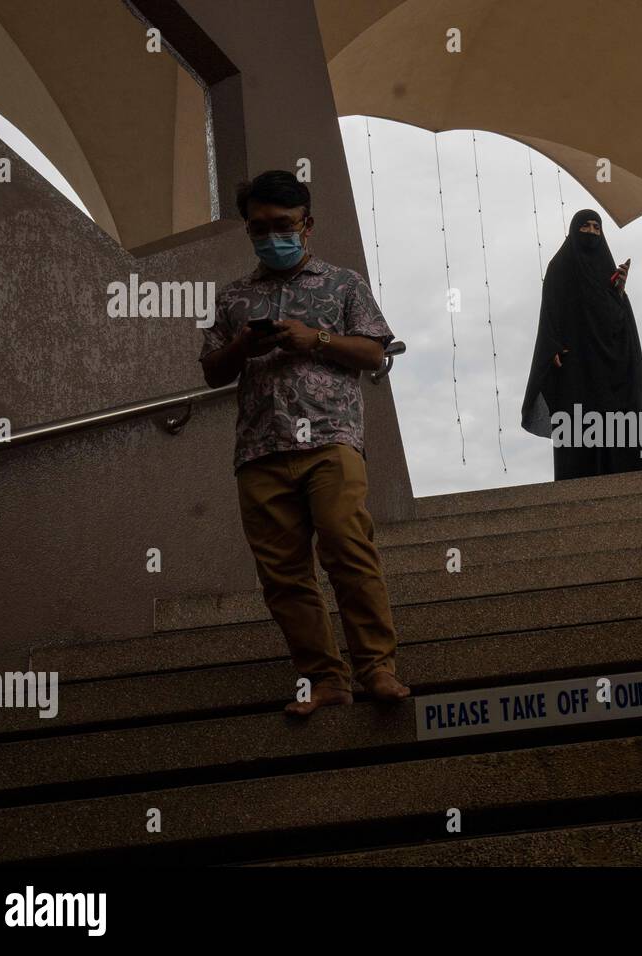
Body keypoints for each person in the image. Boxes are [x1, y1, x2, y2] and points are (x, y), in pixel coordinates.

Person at [199, 170, 411, 717]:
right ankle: (324, 679)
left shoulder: (344, 284)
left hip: (330, 440)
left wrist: (314, 338)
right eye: (260, 228)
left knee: (347, 547)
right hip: (259, 451)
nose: (272, 236)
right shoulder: (233, 298)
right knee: (282, 574)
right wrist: (244, 344)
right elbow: (211, 373)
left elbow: (373, 355)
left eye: (284, 225)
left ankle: (377, 668)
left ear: (307, 225)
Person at [521, 209, 642, 479]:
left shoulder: (607, 271)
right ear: (574, 231)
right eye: (586, 227)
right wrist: (552, 347)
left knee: (619, 417)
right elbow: (550, 311)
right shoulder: (560, 266)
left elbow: (618, 318)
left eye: (597, 227)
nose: (592, 232)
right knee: (579, 422)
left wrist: (618, 294)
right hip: (578, 362)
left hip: (611, 363)